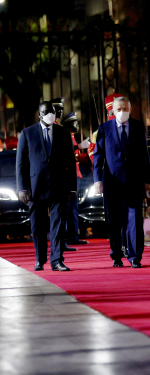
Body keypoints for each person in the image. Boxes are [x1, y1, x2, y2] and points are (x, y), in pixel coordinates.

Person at [16, 101, 77, 271]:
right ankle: (40, 259)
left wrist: (72, 188)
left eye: (53, 111)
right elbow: (21, 164)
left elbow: (71, 163)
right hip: (36, 188)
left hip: (59, 187)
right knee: (38, 226)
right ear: (39, 114)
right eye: (47, 111)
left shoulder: (63, 133)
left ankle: (57, 260)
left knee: (58, 225)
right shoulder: (27, 134)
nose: (51, 114)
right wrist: (22, 188)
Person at [93, 96, 150, 268]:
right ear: (112, 111)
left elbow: (144, 155)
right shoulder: (104, 128)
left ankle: (135, 256)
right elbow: (98, 156)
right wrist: (97, 180)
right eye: (119, 109)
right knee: (114, 221)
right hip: (112, 182)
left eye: (125, 108)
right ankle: (116, 255)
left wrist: (146, 180)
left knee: (134, 220)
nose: (122, 112)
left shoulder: (138, 126)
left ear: (130, 109)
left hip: (134, 181)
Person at [61, 110, 91, 246]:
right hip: (68, 176)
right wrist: (79, 147)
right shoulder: (64, 136)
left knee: (73, 208)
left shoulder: (71, 136)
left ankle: (73, 236)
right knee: (68, 207)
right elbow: (67, 153)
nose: (77, 126)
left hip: (75, 175)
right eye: (74, 123)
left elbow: (75, 158)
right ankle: (68, 237)